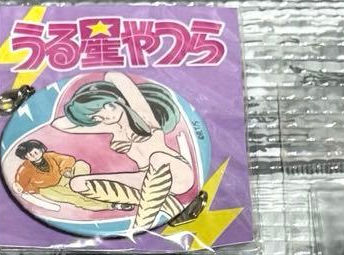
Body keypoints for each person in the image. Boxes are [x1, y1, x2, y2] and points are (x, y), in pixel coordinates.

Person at [51, 73, 206, 232]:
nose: (98, 119)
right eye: (94, 117)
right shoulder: (110, 126)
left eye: (97, 112)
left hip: (175, 172)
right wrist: (81, 112)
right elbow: (59, 124)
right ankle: (176, 210)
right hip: (146, 179)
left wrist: (104, 91)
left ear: (111, 103)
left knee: (157, 158)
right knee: (77, 183)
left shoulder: (144, 116)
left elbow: (116, 76)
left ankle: (140, 226)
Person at [11, 139, 115, 212]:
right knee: (75, 198)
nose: (34, 155)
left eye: (35, 152)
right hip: (48, 188)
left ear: (41, 150)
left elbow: (67, 159)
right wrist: (23, 188)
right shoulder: (25, 168)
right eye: (30, 155)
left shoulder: (50, 155)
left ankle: (79, 184)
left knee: (80, 164)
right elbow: (20, 182)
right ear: (25, 157)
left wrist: (65, 170)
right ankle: (110, 205)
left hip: (63, 178)